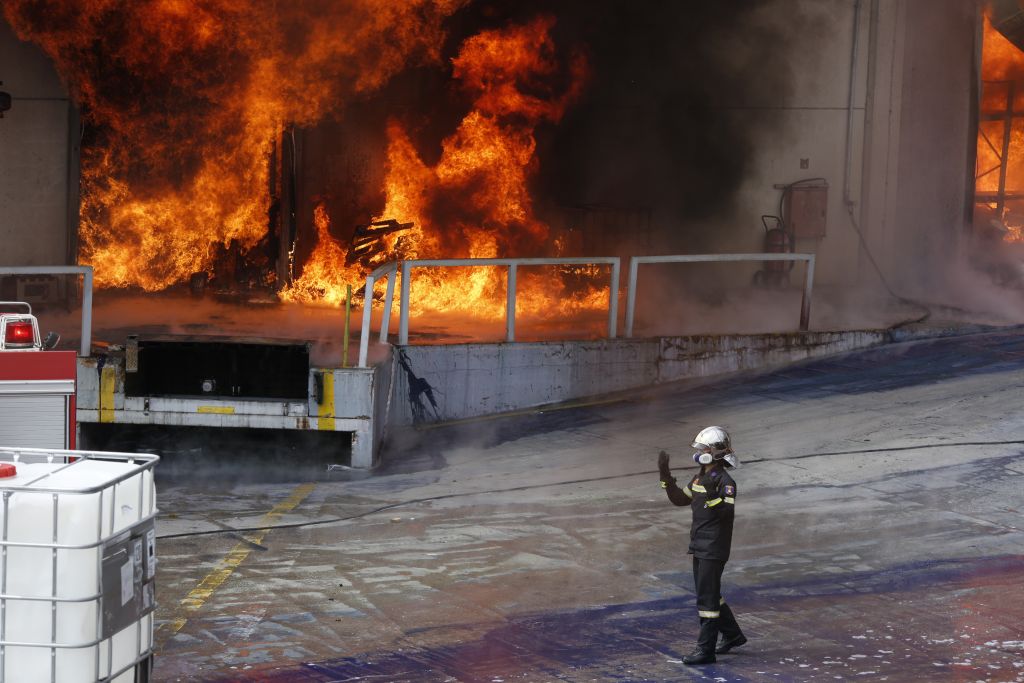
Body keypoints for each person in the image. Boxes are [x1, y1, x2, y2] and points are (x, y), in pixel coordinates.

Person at [658, 425, 747, 665]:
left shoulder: (725, 481)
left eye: (704, 448)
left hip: (714, 547)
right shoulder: (700, 477)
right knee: (709, 594)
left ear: (716, 452)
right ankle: (733, 635)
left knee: (706, 600)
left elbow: (726, 513)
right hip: (699, 544)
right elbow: (680, 499)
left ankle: (705, 650)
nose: (699, 452)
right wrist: (665, 478)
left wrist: (712, 496)